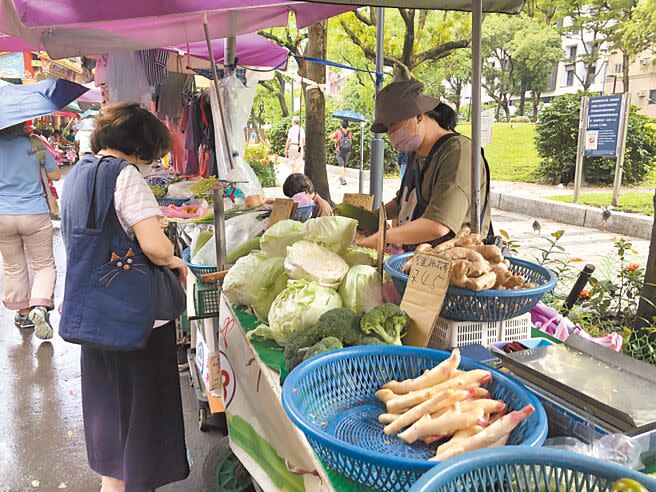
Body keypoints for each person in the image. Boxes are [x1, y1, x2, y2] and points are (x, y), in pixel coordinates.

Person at [60, 103, 189, 492]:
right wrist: (176, 263)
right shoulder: (125, 175)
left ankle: (112, 485)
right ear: (141, 146)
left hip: (94, 314)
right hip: (136, 322)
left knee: (108, 409)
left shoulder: (77, 174)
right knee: (142, 411)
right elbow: (153, 245)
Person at [356, 80, 491, 251]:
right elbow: (402, 202)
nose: (391, 135)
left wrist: (383, 237)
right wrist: (370, 219)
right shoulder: (416, 153)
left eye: (393, 125)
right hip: (419, 262)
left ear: (419, 115)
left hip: (454, 264)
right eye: (387, 130)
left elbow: (438, 225)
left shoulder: (459, 153)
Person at [0, 122, 60, 337]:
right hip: (34, 212)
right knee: (43, 265)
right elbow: (55, 175)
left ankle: (24, 313)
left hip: (2, 215)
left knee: (13, 265)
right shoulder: (35, 143)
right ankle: (40, 306)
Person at [331, 120, 353, 186]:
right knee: (345, 165)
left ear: (341, 125)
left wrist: (335, 140)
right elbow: (351, 142)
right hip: (348, 151)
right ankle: (343, 177)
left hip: (339, 150)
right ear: (347, 126)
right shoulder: (350, 133)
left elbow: (330, 137)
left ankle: (343, 180)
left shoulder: (338, 132)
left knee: (341, 165)